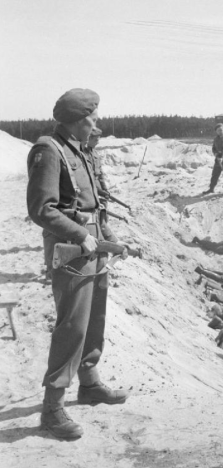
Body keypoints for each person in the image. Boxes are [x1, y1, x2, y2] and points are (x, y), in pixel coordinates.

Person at [26, 89, 129, 440]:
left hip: (93, 244)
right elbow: (42, 209)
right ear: (76, 119)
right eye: (92, 117)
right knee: (72, 324)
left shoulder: (79, 150)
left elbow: (91, 202)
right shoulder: (49, 151)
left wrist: (106, 235)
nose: (96, 122)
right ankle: (52, 407)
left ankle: (89, 383)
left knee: (94, 317)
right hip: (72, 251)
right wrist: (80, 235)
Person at [203, 123, 223, 194]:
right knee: (215, 173)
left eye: (221, 130)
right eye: (218, 130)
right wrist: (215, 153)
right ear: (216, 131)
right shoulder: (216, 138)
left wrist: (222, 157)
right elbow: (213, 148)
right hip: (218, 158)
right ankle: (211, 188)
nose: (220, 132)